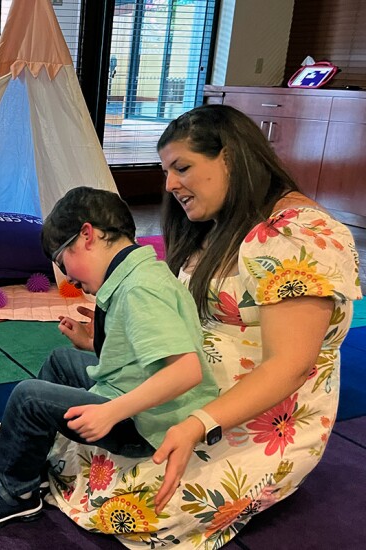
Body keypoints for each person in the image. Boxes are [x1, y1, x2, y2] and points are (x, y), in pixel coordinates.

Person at [43, 105, 361, 548]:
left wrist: (196, 423)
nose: (170, 184)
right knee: (74, 447)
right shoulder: (217, 225)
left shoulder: (293, 235)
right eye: (167, 171)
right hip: (187, 390)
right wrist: (104, 343)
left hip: (252, 414)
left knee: (144, 506)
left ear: (231, 158)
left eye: (183, 167)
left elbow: (289, 366)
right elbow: (176, 324)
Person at [0, 186, 219, 529]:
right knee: (60, 360)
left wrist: (111, 411)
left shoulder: (140, 288)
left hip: (145, 422)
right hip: (133, 392)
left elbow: (186, 371)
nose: (67, 277)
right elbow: (140, 351)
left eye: (63, 261)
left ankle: (17, 492)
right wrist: (92, 343)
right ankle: (22, 457)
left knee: (29, 396)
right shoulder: (138, 274)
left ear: (87, 235)